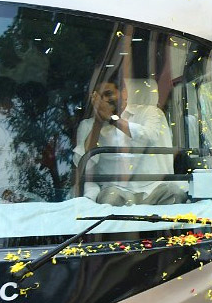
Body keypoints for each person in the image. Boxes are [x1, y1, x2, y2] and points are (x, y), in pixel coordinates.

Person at [74, 75, 178, 205]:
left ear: (124, 93)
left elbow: (150, 137)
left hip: (154, 190)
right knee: (110, 198)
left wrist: (113, 119)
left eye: (108, 94)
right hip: (116, 193)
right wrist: (98, 122)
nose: (104, 100)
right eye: (99, 98)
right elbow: (83, 165)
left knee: (176, 193)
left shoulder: (150, 112)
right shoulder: (88, 125)